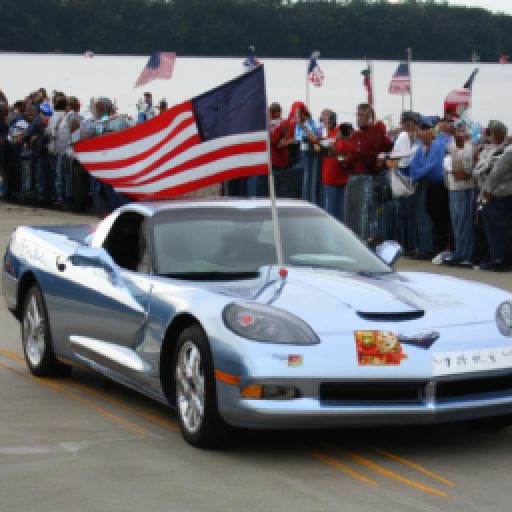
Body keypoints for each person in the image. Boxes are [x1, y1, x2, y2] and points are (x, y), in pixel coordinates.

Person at [336, 103, 393, 243]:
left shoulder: (376, 133)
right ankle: (354, 240)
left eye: (362, 115)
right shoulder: (355, 135)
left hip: (367, 178)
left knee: (366, 212)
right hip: (354, 177)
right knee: (353, 212)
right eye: (358, 115)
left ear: (369, 117)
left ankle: (369, 239)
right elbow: (352, 154)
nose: (359, 118)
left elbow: (384, 146)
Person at [442, 120, 476, 267]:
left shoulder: (470, 147)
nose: (457, 133)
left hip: (465, 188)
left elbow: (467, 170)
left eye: (459, 130)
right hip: (453, 188)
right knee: (456, 222)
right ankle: (459, 252)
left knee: (464, 222)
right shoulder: (450, 146)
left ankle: (466, 255)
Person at [319, 109, 347, 222]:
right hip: (330, 177)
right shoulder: (324, 133)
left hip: (340, 177)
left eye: (325, 119)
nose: (324, 122)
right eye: (323, 119)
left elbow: (340, 148)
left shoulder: (339, 131)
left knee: (339, 213)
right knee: (330, 212)